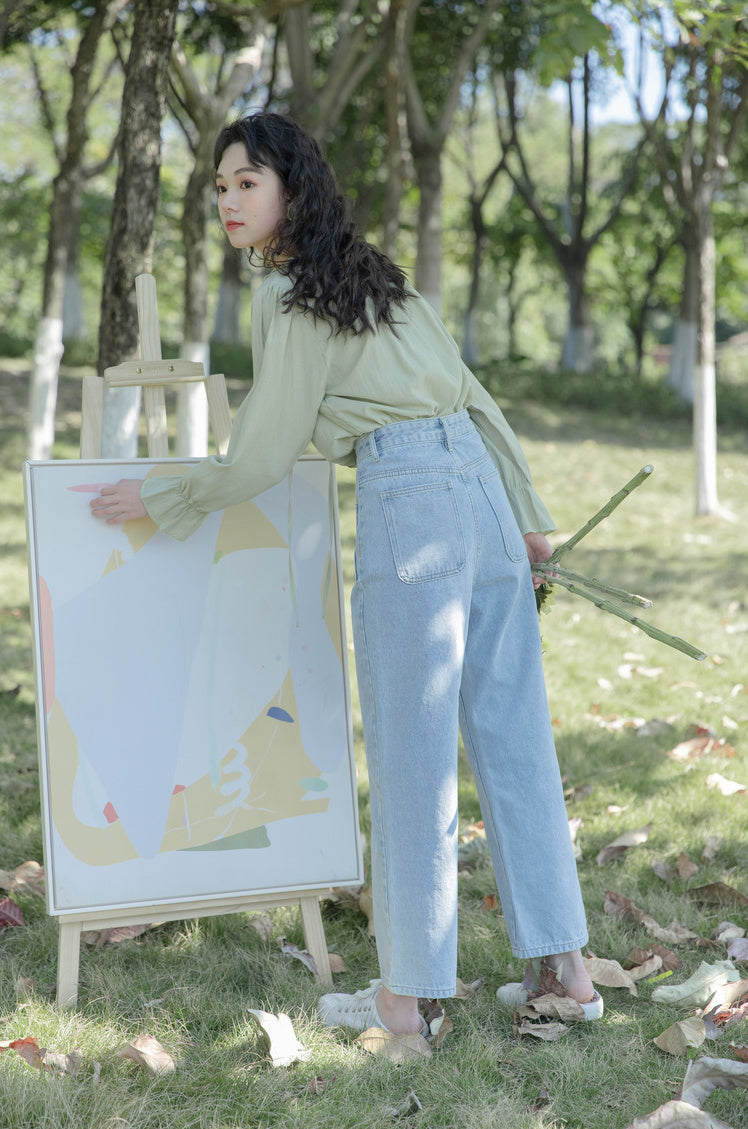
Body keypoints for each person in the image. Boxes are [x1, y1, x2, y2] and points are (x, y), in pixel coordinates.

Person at [91, 111, 602, 1035]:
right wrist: (528, 519)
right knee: (515, 738)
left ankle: (405, 1000)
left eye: (247, 182)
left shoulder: (288, 296)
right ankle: (567, 970)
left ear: (292, 187)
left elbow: (262, 456)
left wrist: (163, 493)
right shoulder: (382, 282)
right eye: (220, 186)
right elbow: (476, 399)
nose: (229, 201)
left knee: (412, 755)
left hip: (414, 502)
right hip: (481, 497)